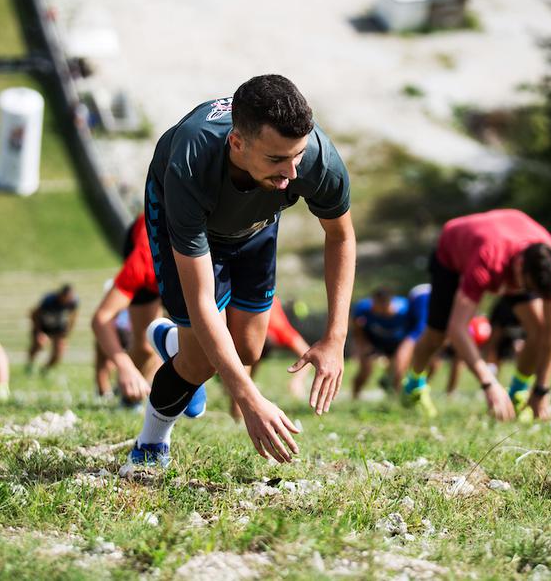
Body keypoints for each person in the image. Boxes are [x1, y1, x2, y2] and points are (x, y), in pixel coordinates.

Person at [120, 74, 355, 468]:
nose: (292, 175)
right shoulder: (190, 161)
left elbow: (341, 238)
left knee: (246, 349)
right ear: (237, 142)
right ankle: (150, 444)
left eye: (296, 156)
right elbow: (201, 300)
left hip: (255, 224)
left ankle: (176, 343)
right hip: (191, 226)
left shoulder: (315, 159)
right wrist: (247, 398)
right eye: (277, 159)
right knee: (200, 363)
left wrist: (335, 337)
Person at [402, 209, 551, 421]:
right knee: (437, 334)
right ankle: (413, 386)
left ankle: (518, 393)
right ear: (519, 267)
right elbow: (458, 328)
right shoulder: (488, 258)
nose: (528, 295)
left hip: (510, 242)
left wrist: (542, 389)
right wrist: (489, 384)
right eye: (526, 288)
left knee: (539, 328)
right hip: (454, 248)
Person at [91, 214, 184, 409]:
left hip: (186, 261)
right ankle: (129, 395)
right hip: (145, 252)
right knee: (145, 347)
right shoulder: (143, 262)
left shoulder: (210, 262)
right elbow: (101, 318)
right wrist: (124, 366)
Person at [349, 288, 416, 399]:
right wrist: (363, 346)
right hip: (373, 341)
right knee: (365, 371)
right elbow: (357, 329)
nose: (379, 311)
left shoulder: (405, 310)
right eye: (376, 306)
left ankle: (394, 400)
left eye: (383, 308)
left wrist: (406, 348)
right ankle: (354, 397)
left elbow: (416, 328)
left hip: (398, 343)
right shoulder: (364, 309)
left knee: (399, 371)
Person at [28, 284, 80, 374]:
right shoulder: (49, 300)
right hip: (44, 326)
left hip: (59, 328)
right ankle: (30, 365)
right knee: (39, 345)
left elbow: (73, 317)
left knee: (58, 353)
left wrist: (67, 332)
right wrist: (38, 332)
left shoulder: (73, 302)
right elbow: (34, 314)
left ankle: (45, 370)